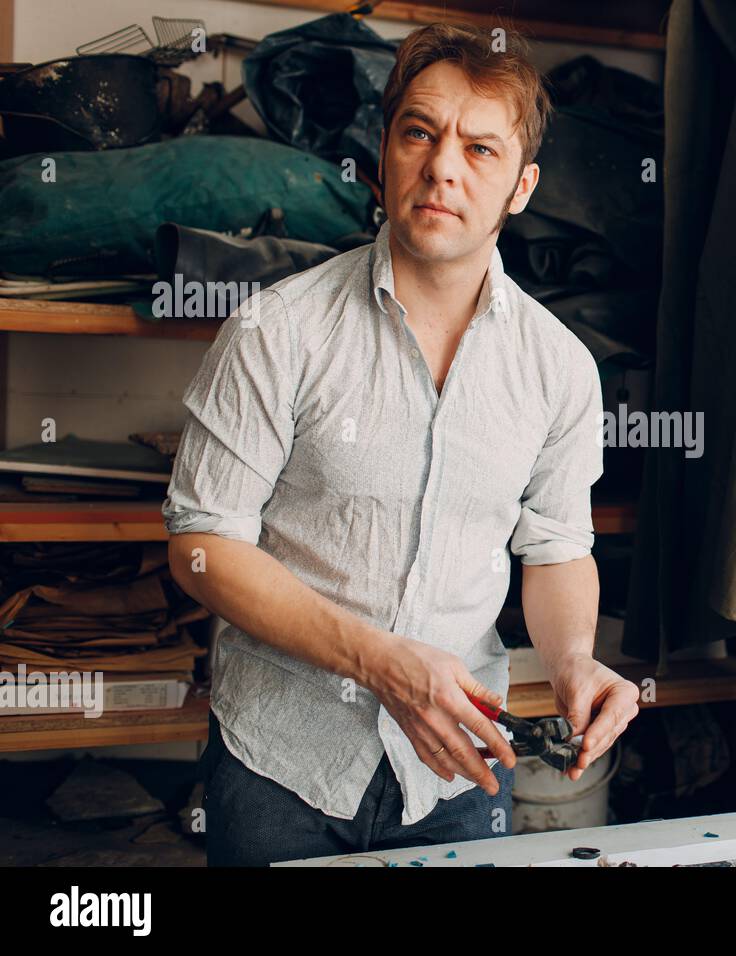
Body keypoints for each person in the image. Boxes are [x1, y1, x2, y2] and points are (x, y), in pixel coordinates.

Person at [163, 22, 640, 866]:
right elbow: (202, 543)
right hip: (283, 768)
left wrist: (572, 663)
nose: (443, 168)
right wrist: (379, 661)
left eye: (481, 150)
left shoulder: (561, 369)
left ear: (522, 187)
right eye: (420, 132)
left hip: (455, 778)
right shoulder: (279, 332)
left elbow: (557, 547)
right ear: (384, 153)